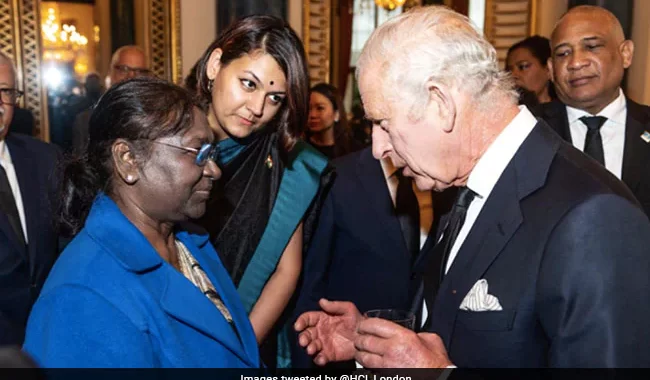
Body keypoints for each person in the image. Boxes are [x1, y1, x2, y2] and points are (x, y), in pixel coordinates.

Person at [294, 5, 650, 368]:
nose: (377, 147)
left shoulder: (595, 218)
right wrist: (371, 339)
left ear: (441, 103)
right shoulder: (459, 190)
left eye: (383, 122)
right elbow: (450, 330)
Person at [23, 77, 260, 368]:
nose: (214, 170)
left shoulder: (191, 243)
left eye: (212, 154)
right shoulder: (81, 298)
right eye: (198, 153)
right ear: (128, 160)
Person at [195, 15, 332, 368]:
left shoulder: (289, 165)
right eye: (248, 84)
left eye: (274, 98)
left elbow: (287, 271)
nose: (257, 109)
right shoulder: (166, 140)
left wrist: (237, 349)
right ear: (215, 65)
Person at [291, 146, 455, 368]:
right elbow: (310, 281)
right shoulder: (337, 177)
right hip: (348, 357)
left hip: (426, 355)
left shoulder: (445, 177)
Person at [534, 5, 650, 218]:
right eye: (563, 53)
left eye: (592, 47)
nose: (576, 63)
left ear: (626, 54)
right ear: (550, 69)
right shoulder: (529, 130)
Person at [0, 52, 61, 346]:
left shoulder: (44, 158)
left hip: (51, 333)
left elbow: (67, 238)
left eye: (5, 91)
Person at [72, 46, 150, 154]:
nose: (131, 76)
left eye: (139, 71)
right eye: (124, 69)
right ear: (110, 72)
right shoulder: (86, 122)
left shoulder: (160, 121)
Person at [306, 83, 357, 160]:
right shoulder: (299, 148)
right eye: (309, 109)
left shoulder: (354, 150)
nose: (312, 115)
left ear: (336, 114)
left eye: (320, 108)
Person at [506, 35, 556, 105]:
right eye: (509, 70)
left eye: (523, 66)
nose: (513, 75)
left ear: (548, 69)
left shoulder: (565, 113)